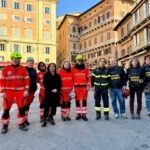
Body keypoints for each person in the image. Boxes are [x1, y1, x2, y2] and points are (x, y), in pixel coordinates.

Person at [0, 52, 29, 134]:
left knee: (21, 108)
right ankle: (5, 125)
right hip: (9, 92)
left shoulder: (23, 69)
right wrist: (2, 91)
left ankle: (21, 123)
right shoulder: (6, 69)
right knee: (6, 109)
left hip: (20, 91)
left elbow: (27, 80)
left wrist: (26, 90)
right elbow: (2, 80)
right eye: (15, 58)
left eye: (18, 59)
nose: (17, 60)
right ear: (11, 59)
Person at [72, 54, 91, 121]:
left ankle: (84, 114)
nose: (80, 61)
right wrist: (71, 88)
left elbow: (89, 77)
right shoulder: (73, 68)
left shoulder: (86, 68)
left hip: (84, 87)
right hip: (76, 87)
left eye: (81, 60)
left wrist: (88, 86)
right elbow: (71, 78)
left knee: (84, 100)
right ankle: (78, 114)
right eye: (78, 60)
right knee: (77, 100)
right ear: (76, 60)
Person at [24, 57, 37, 125]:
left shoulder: (34, 70)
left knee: (28, 105)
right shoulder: (24, 69)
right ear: (26, 62)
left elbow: (36, 79)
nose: (30, 63)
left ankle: (25, 119)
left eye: (31, 62)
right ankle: (22, 119)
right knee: (23, 105)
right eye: (29, 61)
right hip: (25, 91)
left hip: (32, 90)